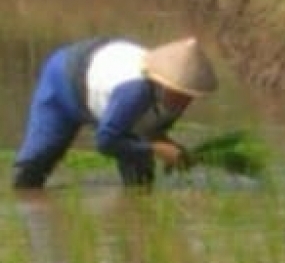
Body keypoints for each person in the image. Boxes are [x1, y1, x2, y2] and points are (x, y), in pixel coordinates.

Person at [11, 36, 218, 190]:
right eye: (180, 94)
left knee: (141, 181)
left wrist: (170, 147)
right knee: (33, 170)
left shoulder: (171, 99)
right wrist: (157, 149)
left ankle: (136, 229)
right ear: (164, 84)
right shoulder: (134, 91)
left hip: (102, 80)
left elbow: (149, 130)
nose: (184, 102)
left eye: (189, 97)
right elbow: (105, 141)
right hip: (63, 81)